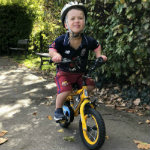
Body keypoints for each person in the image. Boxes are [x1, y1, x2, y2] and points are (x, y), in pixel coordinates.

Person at [49, 1, 107, 121]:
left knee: (90, 85)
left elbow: (97, 46)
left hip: (80, 74)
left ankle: (79, 101)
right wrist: (55, 55)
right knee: (65, 91)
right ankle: (58, 110)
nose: (77, 21)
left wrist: (99, 56)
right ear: (66, 25)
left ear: (84, 22)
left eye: (80, 18)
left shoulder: (87, 40)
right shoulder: (61, 40)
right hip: (64, 73)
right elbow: (52, 48)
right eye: (73, 18)